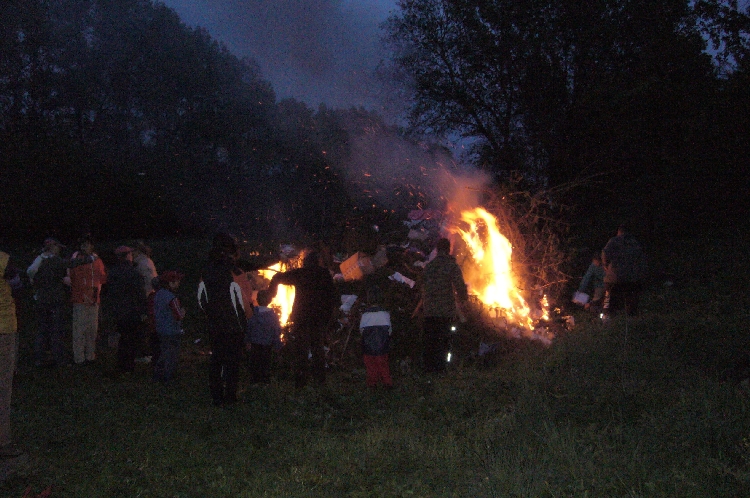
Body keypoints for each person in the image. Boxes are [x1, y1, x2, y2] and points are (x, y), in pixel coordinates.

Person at [268, 250, 337, 389]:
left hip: (302, 317)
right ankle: (319, 380)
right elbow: (333, 297)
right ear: (318, 262)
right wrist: (329, 316)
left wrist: (271, 293)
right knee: (317, 349)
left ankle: (301, 381)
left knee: (302, 350)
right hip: (318, 317)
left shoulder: (301, 273)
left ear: (305, 262)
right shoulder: (324, 275)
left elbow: (278, 277)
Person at [198, 233, 247, 406]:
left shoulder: (207, 271)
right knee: (232, 361)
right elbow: (244, 301)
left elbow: (202, 298)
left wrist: (209, 314)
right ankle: (230, 396)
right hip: (234, 324)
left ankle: (217, 396)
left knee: (217, 359)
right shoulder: (236, 272)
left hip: (215, 323)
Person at [414, 238, 468, 373]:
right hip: (445, 311)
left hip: (430, 310)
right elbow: (460, 286)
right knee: (444, 339)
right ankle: (441, 369)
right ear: (448, 249)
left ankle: (429, 368)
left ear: (437, 250)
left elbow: (421, 285)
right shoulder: (451, 266)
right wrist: (464, 301)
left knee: (430, 340)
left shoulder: (429, 267)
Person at [105, 246, 146, 374]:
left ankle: (122, 364)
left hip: (119, 311)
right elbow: (140, 293)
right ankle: (128, 366)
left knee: (123, 338)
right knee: (131, 339)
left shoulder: (113, 273)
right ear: (128, 256)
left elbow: (109, 292)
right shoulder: (134, 273)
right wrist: (143, 310)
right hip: (132, 310)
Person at [68, 234, 107, 365]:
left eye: (87, 244)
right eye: (83, 244)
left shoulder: (97, 260)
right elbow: (71, 278)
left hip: (94, 300)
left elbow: (102, 277)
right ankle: (79, 357)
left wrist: (97, 290)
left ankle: (90, 355)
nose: (85, 247)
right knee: (79, 329)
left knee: (92, 330)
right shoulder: (76, 259)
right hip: (80, 299)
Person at [30, 238, 69, 367]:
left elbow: (32, 276)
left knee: (42, 329)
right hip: (54, 300)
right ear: (52, 247)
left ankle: (40, 358)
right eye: (57, 247)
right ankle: (57, 358)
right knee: (56, 330)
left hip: (42, 299)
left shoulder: (39, 260)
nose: (59, 249)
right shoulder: (54, 261)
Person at [0, 250, 24, 459]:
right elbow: (18, 290)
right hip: (4, 329)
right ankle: (3, 441)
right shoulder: (5, 261)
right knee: (3, 388)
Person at [601, 224, 647, 317]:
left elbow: (605, 253)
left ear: (619, 231)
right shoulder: (634, 243)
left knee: (609, 302)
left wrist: (605, 264)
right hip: (631, 278)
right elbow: (641, 259)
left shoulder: (614, 241)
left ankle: (608, 319)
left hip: (614, 277)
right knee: (631, 302)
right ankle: (631, 320)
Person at [153, 271, 185, 383]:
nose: (178, 283)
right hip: (172, 330)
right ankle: (168, 377)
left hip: (160, 329)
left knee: (164, 352)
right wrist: (182, 313)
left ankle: (158, 374)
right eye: (176, 281)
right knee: (172, 355)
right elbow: (178, 315)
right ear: (170, 283)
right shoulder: (172, 298)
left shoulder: (158, 294)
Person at [245, 289, 282, 384]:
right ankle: (264, 381)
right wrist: (277, 345)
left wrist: (247, 341)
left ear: (257, 299)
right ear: (270, 301)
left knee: (255, 362)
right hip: (267, 344)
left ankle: (254, 381)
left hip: (255, 343)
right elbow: (276, 331)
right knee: (266, 362)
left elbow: (249, 328)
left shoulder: (254, 314)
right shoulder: (272, 316)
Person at [359, 286, 393, 389]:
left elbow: (361, 330)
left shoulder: (365, 315)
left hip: (368, 346)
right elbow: (389, 330)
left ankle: (372, 383)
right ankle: (387, 382)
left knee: (370, 365)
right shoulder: (385, 314)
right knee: (383, 364)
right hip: (382, 345)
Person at [132, 240, 158, 362]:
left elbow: (145, 283)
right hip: (150, 296)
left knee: (143, 326)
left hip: (146, 298)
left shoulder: (141, 264)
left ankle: (144, 353)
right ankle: (147, 351)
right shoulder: (147, 261)